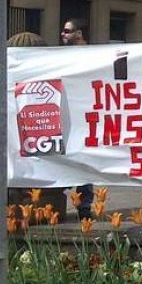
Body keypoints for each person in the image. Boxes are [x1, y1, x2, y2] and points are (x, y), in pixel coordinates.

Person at [61, 19, 94, 220]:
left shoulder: (89, 56)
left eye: (67, 31)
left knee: (84, 161)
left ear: (79, 34)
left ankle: (84, 207)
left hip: (85, 116)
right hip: (69, 115)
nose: (63, 34)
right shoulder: (62, 56)